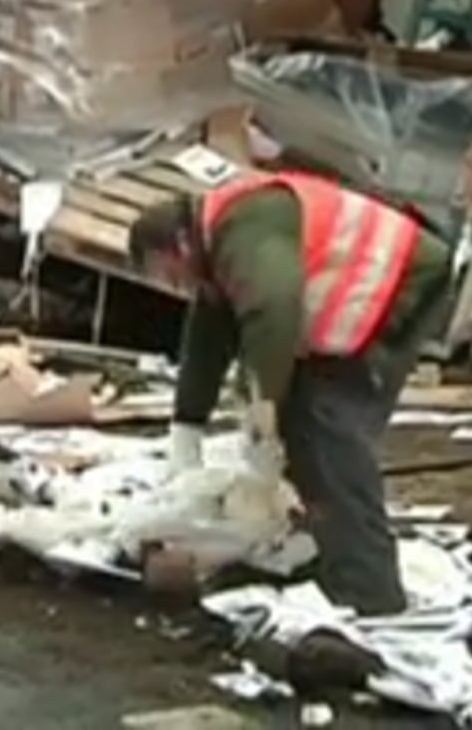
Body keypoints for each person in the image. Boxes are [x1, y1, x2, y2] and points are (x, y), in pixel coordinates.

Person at [126, 169, 452, 615]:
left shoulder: (245, 230)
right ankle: (321, 555)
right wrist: (188, 425)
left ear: (178, 247)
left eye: (169, 276)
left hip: (399, 283)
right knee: (303, 428)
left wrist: (263, 412)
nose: (176, 287)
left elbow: (272, 308)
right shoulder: (217, 247)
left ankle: (371, 591)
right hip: (373, 292)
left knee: (329, 433)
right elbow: (208, 336)